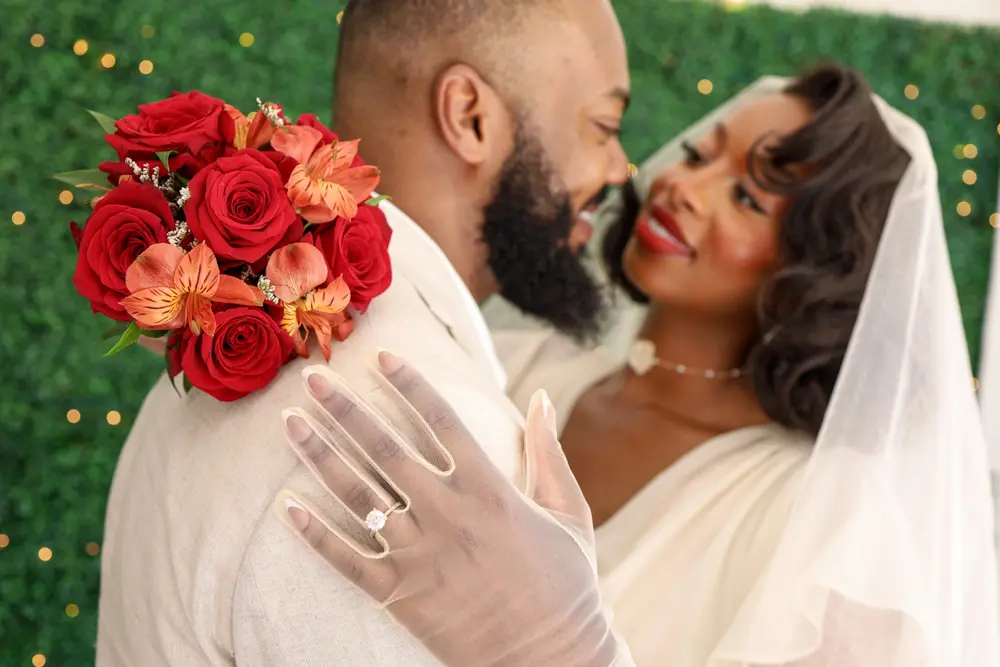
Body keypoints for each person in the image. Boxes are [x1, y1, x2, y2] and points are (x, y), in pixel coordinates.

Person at [275, 69, 1000, 666]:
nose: (683, 185)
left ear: (816, 271)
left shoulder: (831, 521)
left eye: (747, 195)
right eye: (698, 155)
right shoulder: (524, 365)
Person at [95, 1, 630, 665]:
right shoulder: (437, 466)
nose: (617, 169)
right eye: (604, 126)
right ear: (470, 116)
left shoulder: (243, 354)